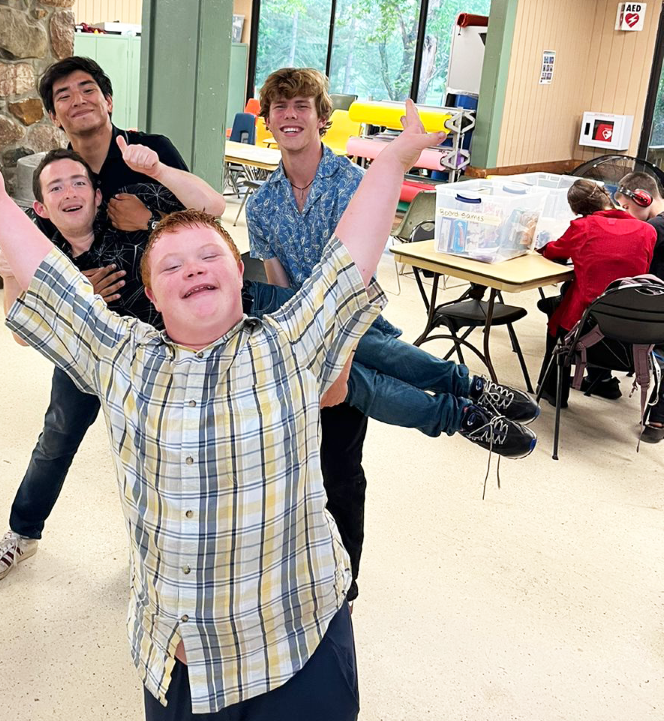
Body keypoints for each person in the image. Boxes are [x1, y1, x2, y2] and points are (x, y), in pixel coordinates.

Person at [0, 100, 439, 721]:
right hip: (178, 661)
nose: (192, 269)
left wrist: (392, 161)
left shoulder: (288, 347)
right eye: (171, 265)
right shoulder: (124, 356)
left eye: (210, 257)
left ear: (241, 282)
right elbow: (50, 278)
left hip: (297, 652)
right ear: (151, 297)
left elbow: (352, 258)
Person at [0, 56, 226, 583]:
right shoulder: (58, 179)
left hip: (160, 339)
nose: (78, 100)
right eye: (64, 95)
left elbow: (203, 222)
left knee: (168, 449)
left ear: (108, 100)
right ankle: (22, 534)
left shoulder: (146, 152)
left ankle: (164, 553)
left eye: (88, 89)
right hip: (90, 342)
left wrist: (150, 218)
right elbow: (25, 303)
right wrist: (66, 289)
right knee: (58, 434)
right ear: (54, 116)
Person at [246, 68, 539, 451]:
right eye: (280, 107)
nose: (289, 115)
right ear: (267, 120)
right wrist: (301, 340)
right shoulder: (261, 205)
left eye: (301, 106)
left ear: (321, 118)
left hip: (357, 313)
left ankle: (467, 396)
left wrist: (339, 347)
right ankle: (466, 406)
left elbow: (361, 275)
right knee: (359, 383)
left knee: (364, 358)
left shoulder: (353, 182)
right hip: (304, 319)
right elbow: (278, 283)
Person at [537, 178, 656, 405]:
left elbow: (554, 251)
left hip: (584, 327)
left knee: (557, 316)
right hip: (631, 329)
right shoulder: (647, 231)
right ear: (606, 195)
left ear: (577, 210)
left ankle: (553, 390)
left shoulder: (582, 227)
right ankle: (603, 381)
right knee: (587, 301)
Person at [614, 171, 664, 439]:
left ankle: (657, 419)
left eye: (626, 207)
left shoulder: (652, 229)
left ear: (643, 199)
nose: (625, 212)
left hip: (654, 314)